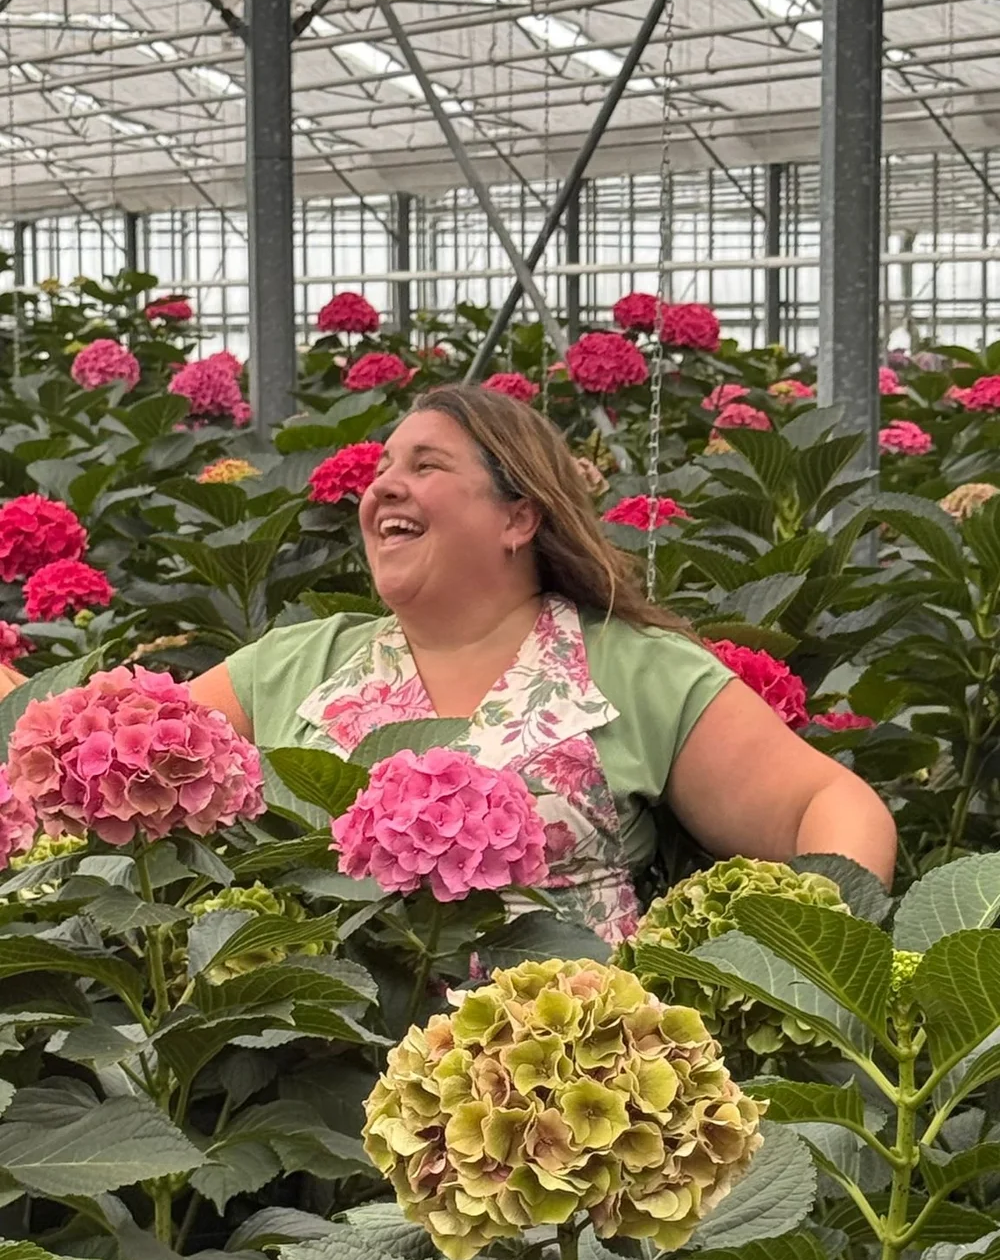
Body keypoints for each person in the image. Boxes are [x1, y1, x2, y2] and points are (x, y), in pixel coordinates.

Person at [0, 384, 896, 944]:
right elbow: (97, 755)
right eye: (383, 468)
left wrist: (809, 959)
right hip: (330, 1093)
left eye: (426, 466)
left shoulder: (628, 669)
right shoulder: (298, 664)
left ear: (519, 517)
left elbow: (830, 804)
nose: (384, 484)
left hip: (568, 1111)